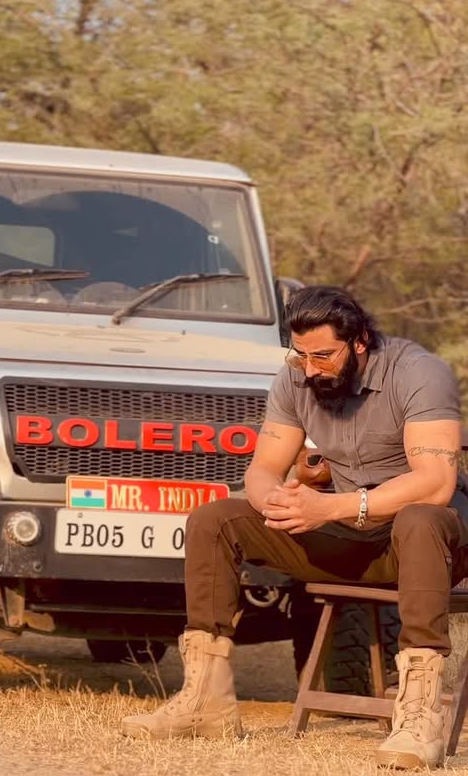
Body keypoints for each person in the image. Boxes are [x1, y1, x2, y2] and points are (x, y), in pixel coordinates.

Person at [122, 285, 466, 769]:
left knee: (419, 517)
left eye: (323, 356)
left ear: (360, 341)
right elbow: (262, 470)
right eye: (300, 355)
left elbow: (435, 483)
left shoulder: (419, 372)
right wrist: (279, 502)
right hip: (348, 536)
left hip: (429, 545)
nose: (309, 369)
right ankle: (205, 702)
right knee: (215, 519)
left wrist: (329, 506)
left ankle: (420, 718)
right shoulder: (296, 376)